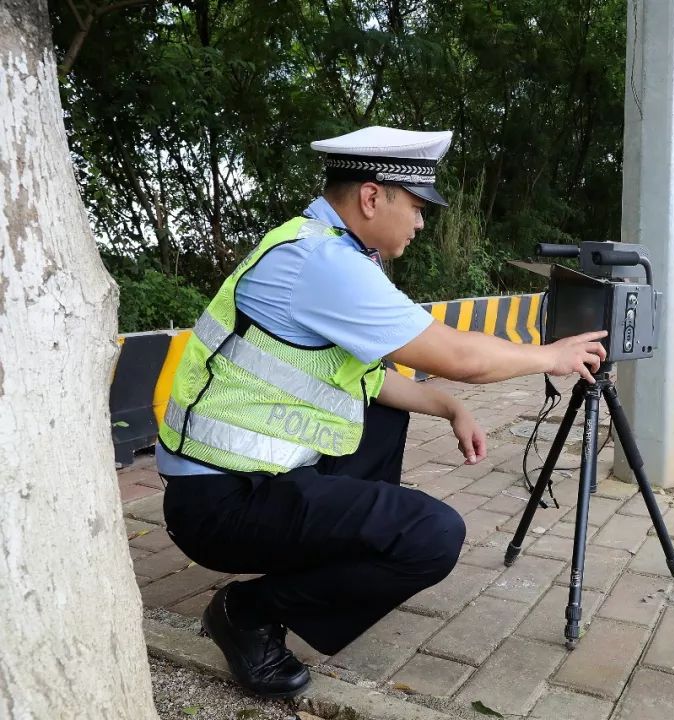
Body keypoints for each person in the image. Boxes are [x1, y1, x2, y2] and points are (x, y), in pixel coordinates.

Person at [155, 126, 607, 698]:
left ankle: (346, 552)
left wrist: (449, 407)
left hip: (242, 482)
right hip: (219, 504)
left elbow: (373, 380)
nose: (421, 223)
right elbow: (457, 353)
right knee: (433, 534)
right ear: (373, 198)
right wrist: (551, 356)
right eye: (417, 207)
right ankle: (245, 612)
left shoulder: (319, 245)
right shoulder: (322, 262)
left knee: (386, 417)